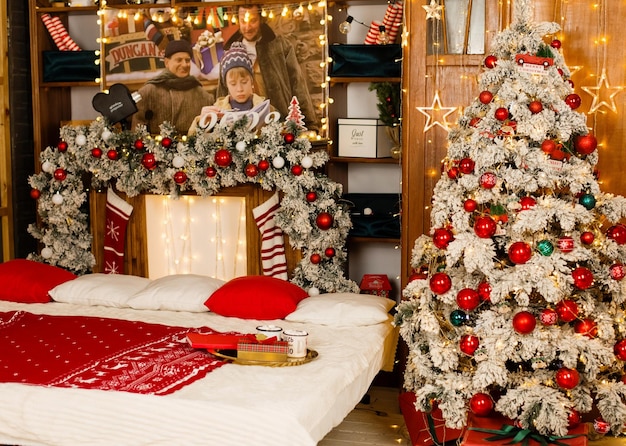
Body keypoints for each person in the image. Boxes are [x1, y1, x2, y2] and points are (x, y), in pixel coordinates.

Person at [217, 5, 318, 131]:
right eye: (243, 21)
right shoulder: (230, 52)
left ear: (261, 19)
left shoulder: (280, 46)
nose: (247, 27)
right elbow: (222, 92)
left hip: (278, 125)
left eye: (253, 21)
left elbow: (297, 84)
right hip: (240, 128)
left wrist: (309, 124)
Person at [131, 39, 214, 134]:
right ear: (167, 62)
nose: (184, 64)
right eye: (179, 60)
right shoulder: (148, 92)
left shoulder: (203, 96)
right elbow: (137, 130)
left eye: (187, 60)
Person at [188, 42, 273, 135]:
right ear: (226, 84)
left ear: (252, 81)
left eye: (244, 82)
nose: (240, 89)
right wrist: (201, 122)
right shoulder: (217, 110)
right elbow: (192, 142)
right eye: (233, 83)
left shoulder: (267, 108)